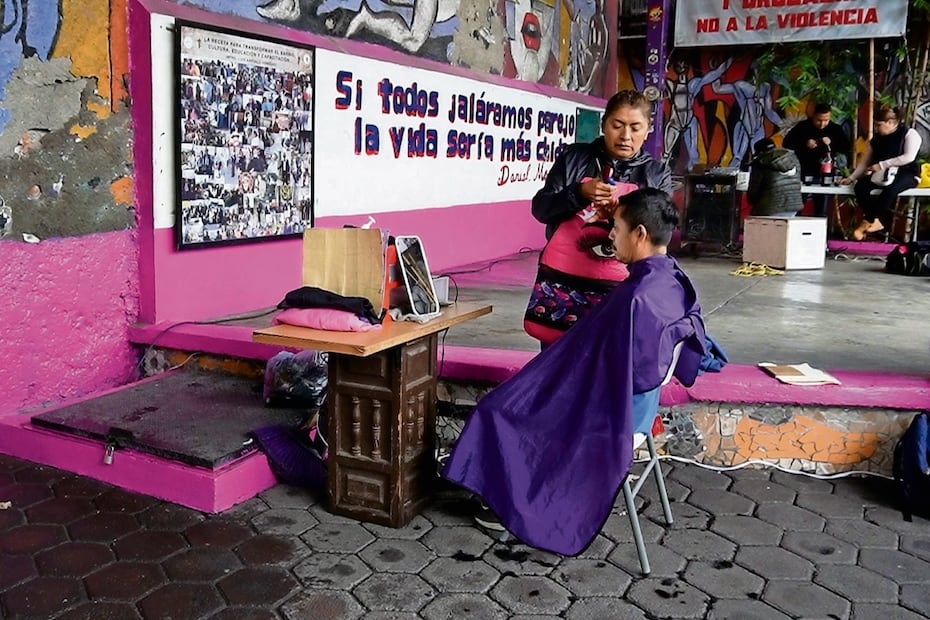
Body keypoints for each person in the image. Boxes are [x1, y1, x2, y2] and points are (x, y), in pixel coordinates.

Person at [443, 188, 707, 556]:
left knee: (498, 411)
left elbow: (629, 373)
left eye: (616, 228)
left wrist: (564, 381)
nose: (610, 236)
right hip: (639, 412)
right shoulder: (668, 279)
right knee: (517, 397)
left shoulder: (638, 297)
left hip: (610, 413)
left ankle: (504, 500)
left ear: (640, 235)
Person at [525, 90, 671, 347]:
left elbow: (661, 233)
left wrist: (622, 212)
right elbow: (541, 209)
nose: (626, 136)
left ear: (648, 130)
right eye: (617, 126)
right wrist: (578, 193)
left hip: (622, 290)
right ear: (604, 124)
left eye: (635, 128)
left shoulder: (656, 173)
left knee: (611, 361)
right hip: (564, 283)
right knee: (558, 362)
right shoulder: (573, 159)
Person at [839, 104, 922, 241]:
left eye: (879, 125)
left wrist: (883, 164)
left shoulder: (909, 134)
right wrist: (852, 177)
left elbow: (908, 157)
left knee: (890, 191)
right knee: (860, 187)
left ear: (891, 123)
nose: (876, 128)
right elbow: (866, 161)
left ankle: (866, 222)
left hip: (906, 173)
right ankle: (875, 220)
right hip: (881, 174)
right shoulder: (876, 139)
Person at [783, 103, 851, 217]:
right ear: (813, 116)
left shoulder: (835, 129)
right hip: (803, 170)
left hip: (825, 172)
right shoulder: (803, 126)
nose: (822, 124)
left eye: (826, 120)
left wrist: (832, 142)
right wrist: (804, 143)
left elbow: (846, 147)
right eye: (819, 120)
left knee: (821, 208)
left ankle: (820, 231)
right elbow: (786, 143)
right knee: (798, 205)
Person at [746, 138, 803, 217]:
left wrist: (751, 201)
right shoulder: (793, 159)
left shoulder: (760, 162)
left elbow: (754, 191)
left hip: (769, 208)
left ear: (760, 152)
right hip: (793, 206)